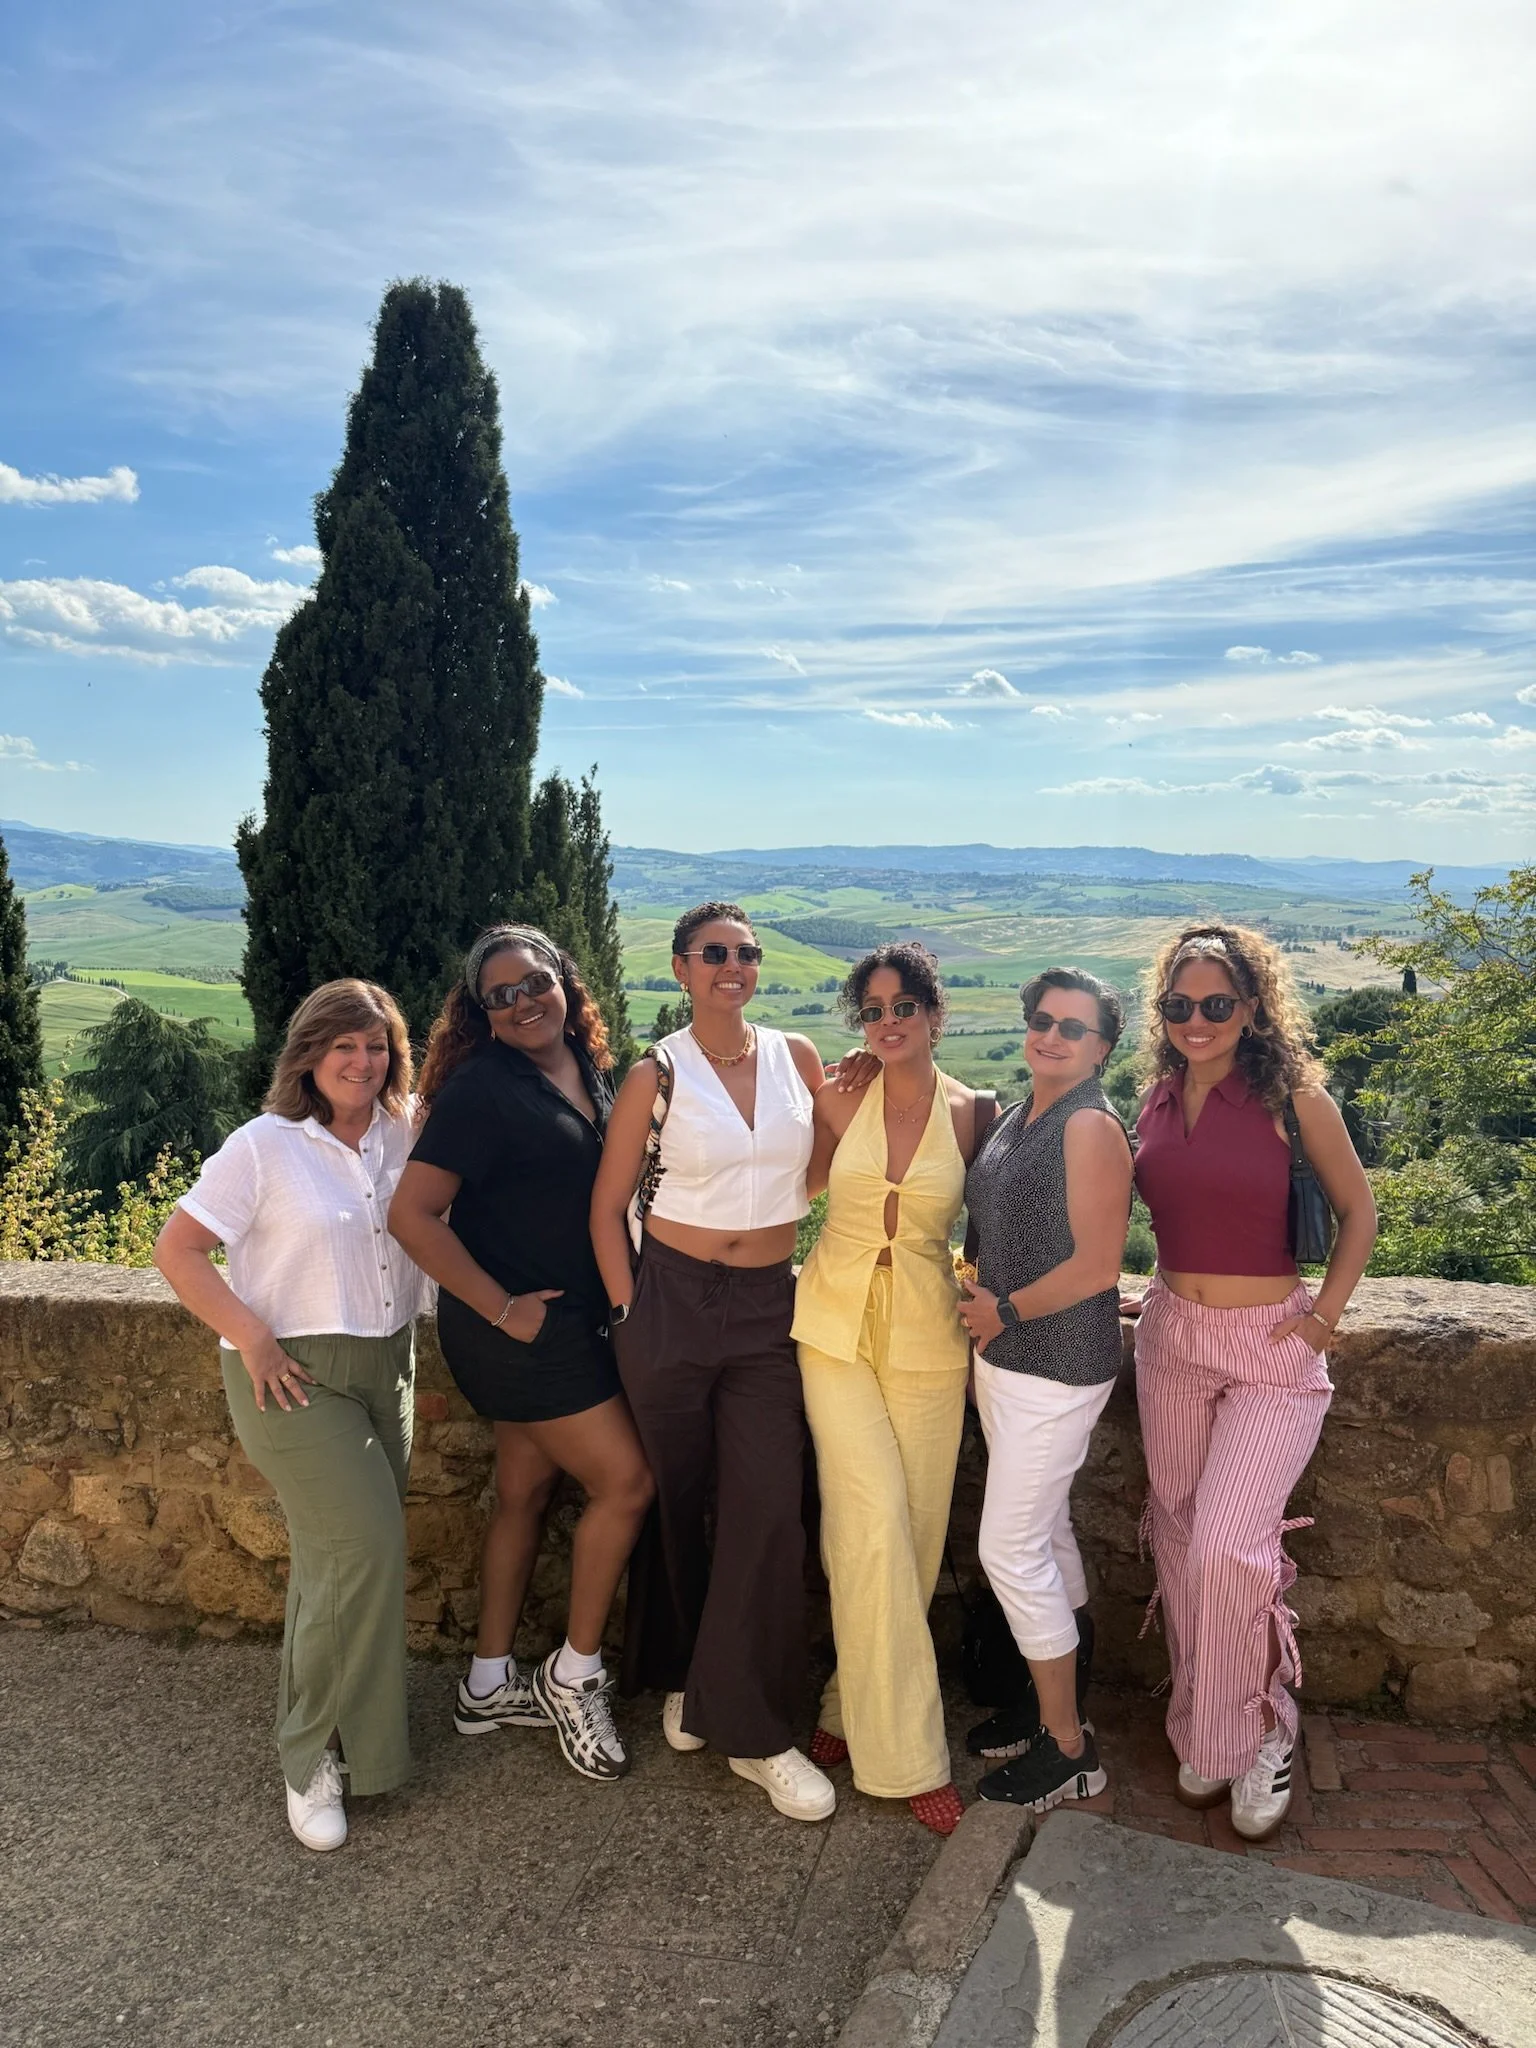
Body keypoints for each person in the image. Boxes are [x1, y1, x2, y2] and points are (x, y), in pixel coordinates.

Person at [154, 980, 427, 1852]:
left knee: (330, 1565)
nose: (362, 1060)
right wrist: (252, 1336)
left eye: (377, 1044)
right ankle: (308, 1756)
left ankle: (338, 1732)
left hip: (391, 1366)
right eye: (344, 1045)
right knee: (366, 1549)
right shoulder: (264, 1147)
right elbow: (178, 1249)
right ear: (308, 1055)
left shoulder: (406, 1129)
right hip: (292, 1378)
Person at [388, 925, 654, 1785]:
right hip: (520, 1330)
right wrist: (502, 1309)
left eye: (533, 982)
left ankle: (486, 1681)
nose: (521, 1002)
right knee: (626, 1484)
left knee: (524, 1492)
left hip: (567, 1319)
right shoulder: (480, 1091)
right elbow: (412, 1216)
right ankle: (573, 1677)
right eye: (499, 995)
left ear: (564, 982)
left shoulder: (589, 1067)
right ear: (482, 1013)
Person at [1129, 923, 1376, 1841]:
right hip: (1171, 1339)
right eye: (1180, 1005)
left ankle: (1265, 1720)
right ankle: (1208, 1724)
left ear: (1253, 1006)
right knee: (1180, 1534)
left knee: (1232, 1546)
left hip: (1272, 1345)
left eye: (1217, 1004)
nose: (1198, 1021)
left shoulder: (1293, 1097)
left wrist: (1321, 1322)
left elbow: (1360, 1213)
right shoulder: (1154, 1099)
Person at [590, 901, 836, 1822]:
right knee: (677, 1496)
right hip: (671, 1300)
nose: (733, 965)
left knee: (769, 1502)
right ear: (682, 968)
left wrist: (770, 1208)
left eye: (746, 953)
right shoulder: (656, 1072)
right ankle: (686, 1676)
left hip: (770, 1304)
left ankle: (754, 1729)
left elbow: (822, 1170)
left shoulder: (796, 1057)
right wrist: (628, 1310)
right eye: (714, 953)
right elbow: (607, 1204)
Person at [793, 945, 984, 1835]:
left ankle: (841, 1707)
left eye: (905, 1004)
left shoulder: (975, 1113)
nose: (889, 1019)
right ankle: (911, 1757)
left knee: (911, 1535)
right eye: (872, 1008)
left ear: (935, 1014)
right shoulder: (837, 1095)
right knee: (864, 1523)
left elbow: (1005, 1228)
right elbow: (781, 1191)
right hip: (831, 1328)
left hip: (929, 1339)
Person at [956, 968, 1134, 1815]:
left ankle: (1070, 1749)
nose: (1051, 1035)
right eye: (1042, 1019)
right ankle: (1043, 1695)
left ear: (1102, 1046)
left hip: (1055, 1363)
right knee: (1048, 1531)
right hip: (1006, 1358)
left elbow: (1101, 1266)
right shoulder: (1020, 1114)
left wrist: (1006, 1308)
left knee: (1009, 1550)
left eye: (1074, 1027)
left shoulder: (1091, 1125)